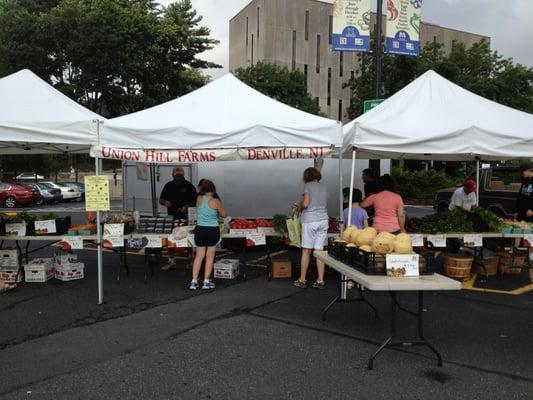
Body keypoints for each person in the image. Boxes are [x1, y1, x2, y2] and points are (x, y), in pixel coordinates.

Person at [293, 167, 329, 289]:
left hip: (310, 220)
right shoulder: (323, 186)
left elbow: (306, 203)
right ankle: (320, 280)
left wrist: (299, 207)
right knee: (319, 251)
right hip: (323, 219)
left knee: (306, 251)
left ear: (306, 176)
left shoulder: (308, 186)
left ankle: (302, 279)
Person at [190, 179, 226, 290]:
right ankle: (206, 282)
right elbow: (224, 215)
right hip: (212, 230)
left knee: (199, 256)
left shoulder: (199, 199)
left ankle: (194, 282)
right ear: (213, 189)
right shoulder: (215, 201)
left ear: (202, 189)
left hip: (200, 229)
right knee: (210, 256)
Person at [159, 166, 197, 270]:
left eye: (180, 175)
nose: (178, 177)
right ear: (173, 176)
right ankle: (171, 261)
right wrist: (165, 202)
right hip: (171, 217)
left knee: (188, 238)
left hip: (186, 217)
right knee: (171, 238)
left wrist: (187, 206)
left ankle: (190, 259)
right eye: (177, 176)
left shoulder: (189, 186)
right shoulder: (168, 185)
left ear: (183, 175)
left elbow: (196, 201)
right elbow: (161, 200)